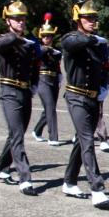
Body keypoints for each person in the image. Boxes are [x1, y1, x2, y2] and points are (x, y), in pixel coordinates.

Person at [61, 0, 109, 208]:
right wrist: (94, 38)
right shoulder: (71, 38)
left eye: (94, 17)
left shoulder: (99, 43)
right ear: (78, 19)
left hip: (92, 97)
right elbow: (78, 42)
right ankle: (97, 188)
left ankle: (69, 181)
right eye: (88, 18)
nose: (93, 21)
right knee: (87, 141)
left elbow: (103, 68)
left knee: (81, 142)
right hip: (76, 97)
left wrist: (104, 87)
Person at [0, 0, 41, 196]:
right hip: (9, 91)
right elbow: (1, 44)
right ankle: (25, 178)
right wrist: (15, 35)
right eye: (16, 19)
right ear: (7, 20)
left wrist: (34, 84)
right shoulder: (4, 39)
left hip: (25, 91)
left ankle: (2, 167)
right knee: (18, 135)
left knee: (15, 134)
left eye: (22, 19)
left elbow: (35, 64)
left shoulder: (30, 41)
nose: (21, 22)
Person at [32, 13, 65, 146]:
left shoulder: (55, 51)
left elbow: (57, 65)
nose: (47, 38)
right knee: (51, 108)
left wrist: (60, 75)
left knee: (49, 108)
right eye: (45, 36)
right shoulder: (40, 49)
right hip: (42, 79)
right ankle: (53, 137)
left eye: (50, 36)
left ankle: (37, 130)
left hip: (53, 80)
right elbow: (41, 53)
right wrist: (49, 49)